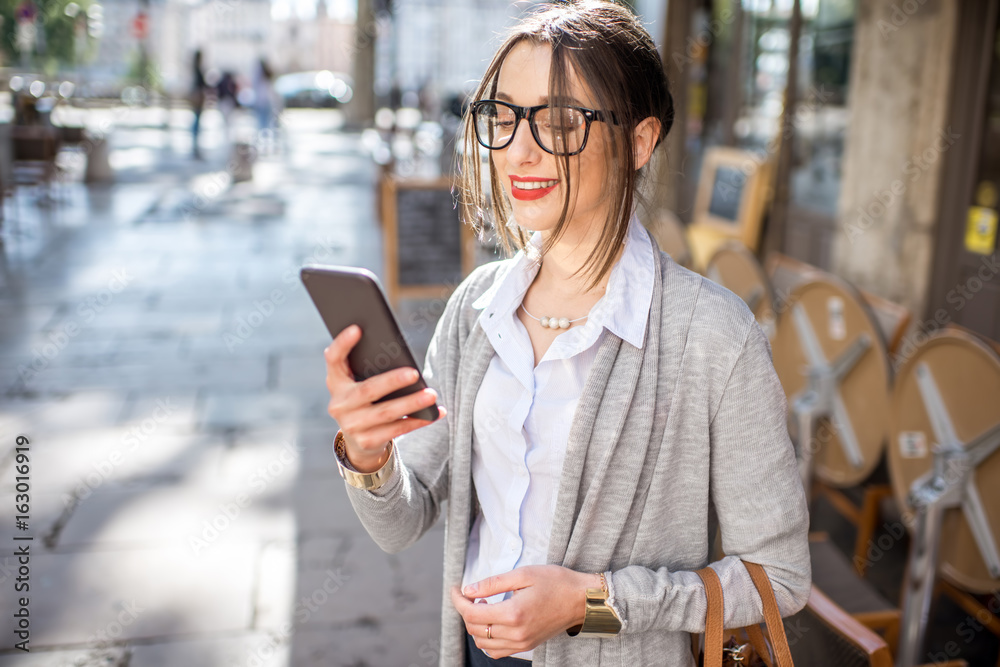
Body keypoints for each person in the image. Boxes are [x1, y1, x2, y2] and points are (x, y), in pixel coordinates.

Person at [323, 2, 811, 666]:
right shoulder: (476, 308)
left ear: (640, 141)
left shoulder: (713, 338)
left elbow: (778, 578)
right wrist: (369, 454)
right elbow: (403, 521)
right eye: (503, 116)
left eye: (559, 121)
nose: (521, 149)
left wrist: (591, 605)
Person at [189, 50, 207, 160]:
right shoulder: (197, 70)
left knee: (196, 123)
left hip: (198, 100)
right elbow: (200, 85)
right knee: (196, 124)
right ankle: (195, 148)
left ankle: (195, 147)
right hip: (198, 101)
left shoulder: (196, 70)